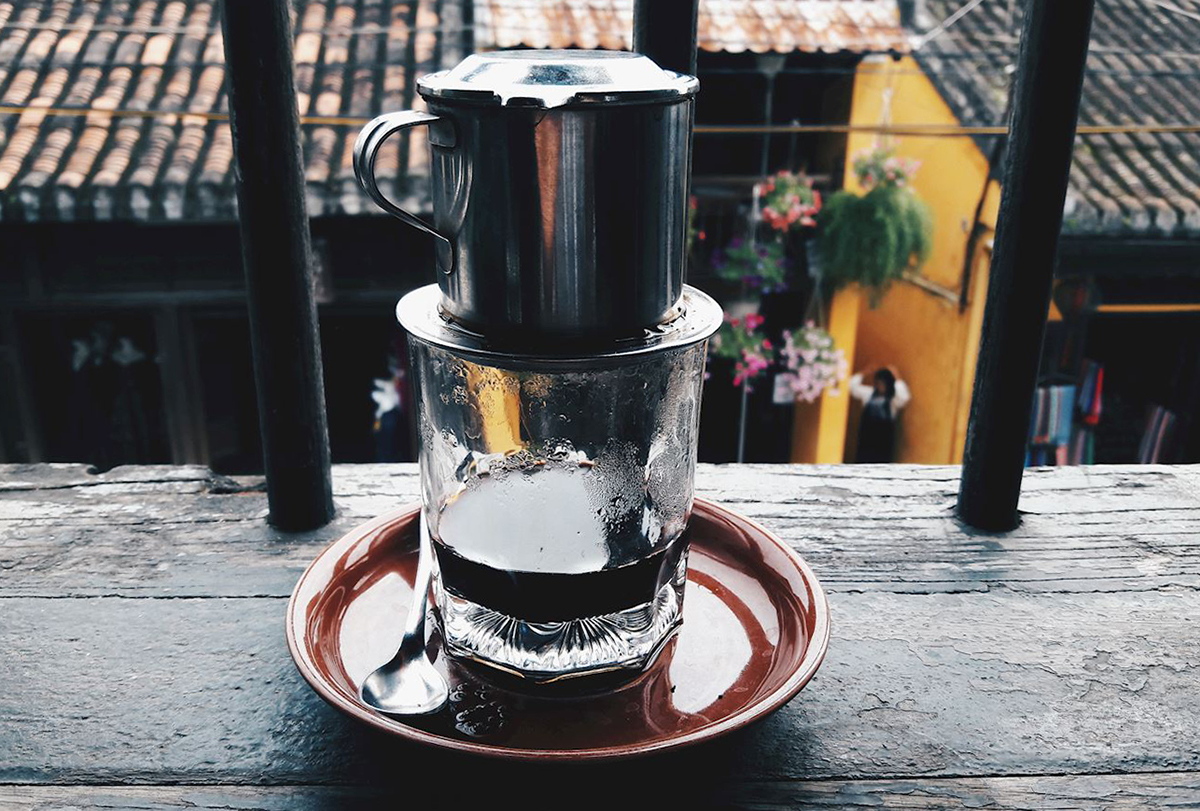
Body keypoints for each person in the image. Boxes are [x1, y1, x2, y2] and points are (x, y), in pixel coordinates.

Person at [848, 365, 911, 463]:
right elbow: (851, 387)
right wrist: (864, 372)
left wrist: (897, 377)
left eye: (883, 383)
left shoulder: (893, 399)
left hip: (883, 440)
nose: (881, 386)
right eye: (878, 383)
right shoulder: (868, 393)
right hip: (866, 438)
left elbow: (905, 397)